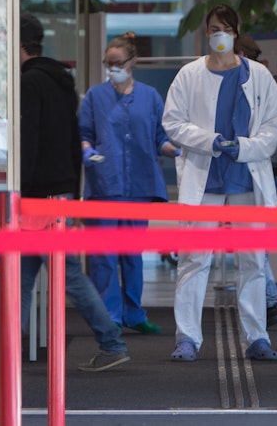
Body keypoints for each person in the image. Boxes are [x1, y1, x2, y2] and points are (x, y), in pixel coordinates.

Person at [162, 4, 277, 363]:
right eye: (213, 28)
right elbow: (172, 122)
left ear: (236, 32)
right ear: (206, 32)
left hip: (245, 178)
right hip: (205, 180)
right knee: (194, 259)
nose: (219, 34)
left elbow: (275, 122)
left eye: (225, 28)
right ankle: (187, 337)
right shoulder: (189, 75)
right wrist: (210, 141)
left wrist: (246, 147)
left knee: (252, 260)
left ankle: (257, 337)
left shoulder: (259, 75)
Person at [18, 12, 130, 373]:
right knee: (24, 273)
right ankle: (10, 349)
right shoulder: (62, 82)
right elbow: (72, 140)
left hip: (37, 194)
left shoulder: (28, 84)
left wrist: (20, 192)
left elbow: (28, 141)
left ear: (18, 46)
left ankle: (111, 342)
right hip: (59, 190)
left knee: (63, 274)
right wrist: (72, 192)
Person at [77, 31, 180, 335]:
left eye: (118, 63)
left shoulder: (149, 97)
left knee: (133, 256)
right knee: (103, 257)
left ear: (133, 61)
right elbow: (83, 133)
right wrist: (88, 151)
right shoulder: (96, 96)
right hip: (104, 187)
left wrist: (177, 150)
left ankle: (134, 313)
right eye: (109, 64)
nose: (113, 69)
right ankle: (109, 317)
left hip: (138, 187)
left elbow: (160, 137)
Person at [234, 34, 277, 328]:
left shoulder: (247, 88)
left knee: (252, 240)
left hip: (253, 170)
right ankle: (265, 301)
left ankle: (269, 301)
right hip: (274, 171)